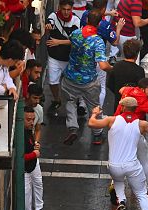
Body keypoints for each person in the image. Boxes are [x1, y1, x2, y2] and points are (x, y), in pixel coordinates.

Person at [88, 99, 148, 210]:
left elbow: (92, 123)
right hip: (132, 166)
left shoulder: (111, 120)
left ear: (123, 107)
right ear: (135, 108)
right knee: (141, 194)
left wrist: (94, 113)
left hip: (114, 166)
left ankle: (122, 200)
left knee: (118, 181)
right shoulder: (142, 124)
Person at [60, 11, 112, 146]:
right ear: (100, 23)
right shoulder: (98, 41)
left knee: (70, 101)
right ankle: (97, 135)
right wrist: (113, 69)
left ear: (87, 19)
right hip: (89, 81)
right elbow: (102, 65)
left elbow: (71, 40)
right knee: (94, 107)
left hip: (70, 77)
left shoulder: (76, 33)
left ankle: (72, 128)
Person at [44, 0, 80, 116]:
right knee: (52, 81)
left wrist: (58, 42)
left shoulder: (76, 21)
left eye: (68, 10)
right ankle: (56, 99)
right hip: (54, 56)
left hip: (69, 58)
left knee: (73, 82)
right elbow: (49, 22)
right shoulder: (53, 17)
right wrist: (48, 26)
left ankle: (74, 102)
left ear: (72, 9)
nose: (65, 12)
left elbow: (75, 40)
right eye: (63, 9)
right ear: (60, 7)